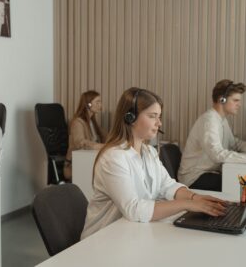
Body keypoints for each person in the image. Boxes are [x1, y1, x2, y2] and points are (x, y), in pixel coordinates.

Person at [81, 87, 226, 239]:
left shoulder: (149, 152)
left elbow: (167, 185)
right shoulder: (113, 157)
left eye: (159, 117)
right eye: (152, 116)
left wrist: (195, 198)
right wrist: (187, 204)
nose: (159, 123)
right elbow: (134, 209)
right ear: (130, 117)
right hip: (101, 239)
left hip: (131, 234)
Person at [178, 80, 246, 191]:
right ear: (222, 99)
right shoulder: (209, 121)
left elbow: (235, 144)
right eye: (235, 100)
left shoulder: (221, 120)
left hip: (208, 173)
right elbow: (217, 154)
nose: (239, 104)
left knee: (238, 182)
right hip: (194, 178)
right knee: (237, 185)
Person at [64, 90, 106, 180]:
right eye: (97, 102)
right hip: (74, 165)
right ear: (88, 104)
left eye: (100, 102)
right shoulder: (77, 122)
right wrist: (99, 146)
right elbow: (80, 142)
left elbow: (104, 137)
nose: (100, 105)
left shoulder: (93, 121)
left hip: (89, 160)